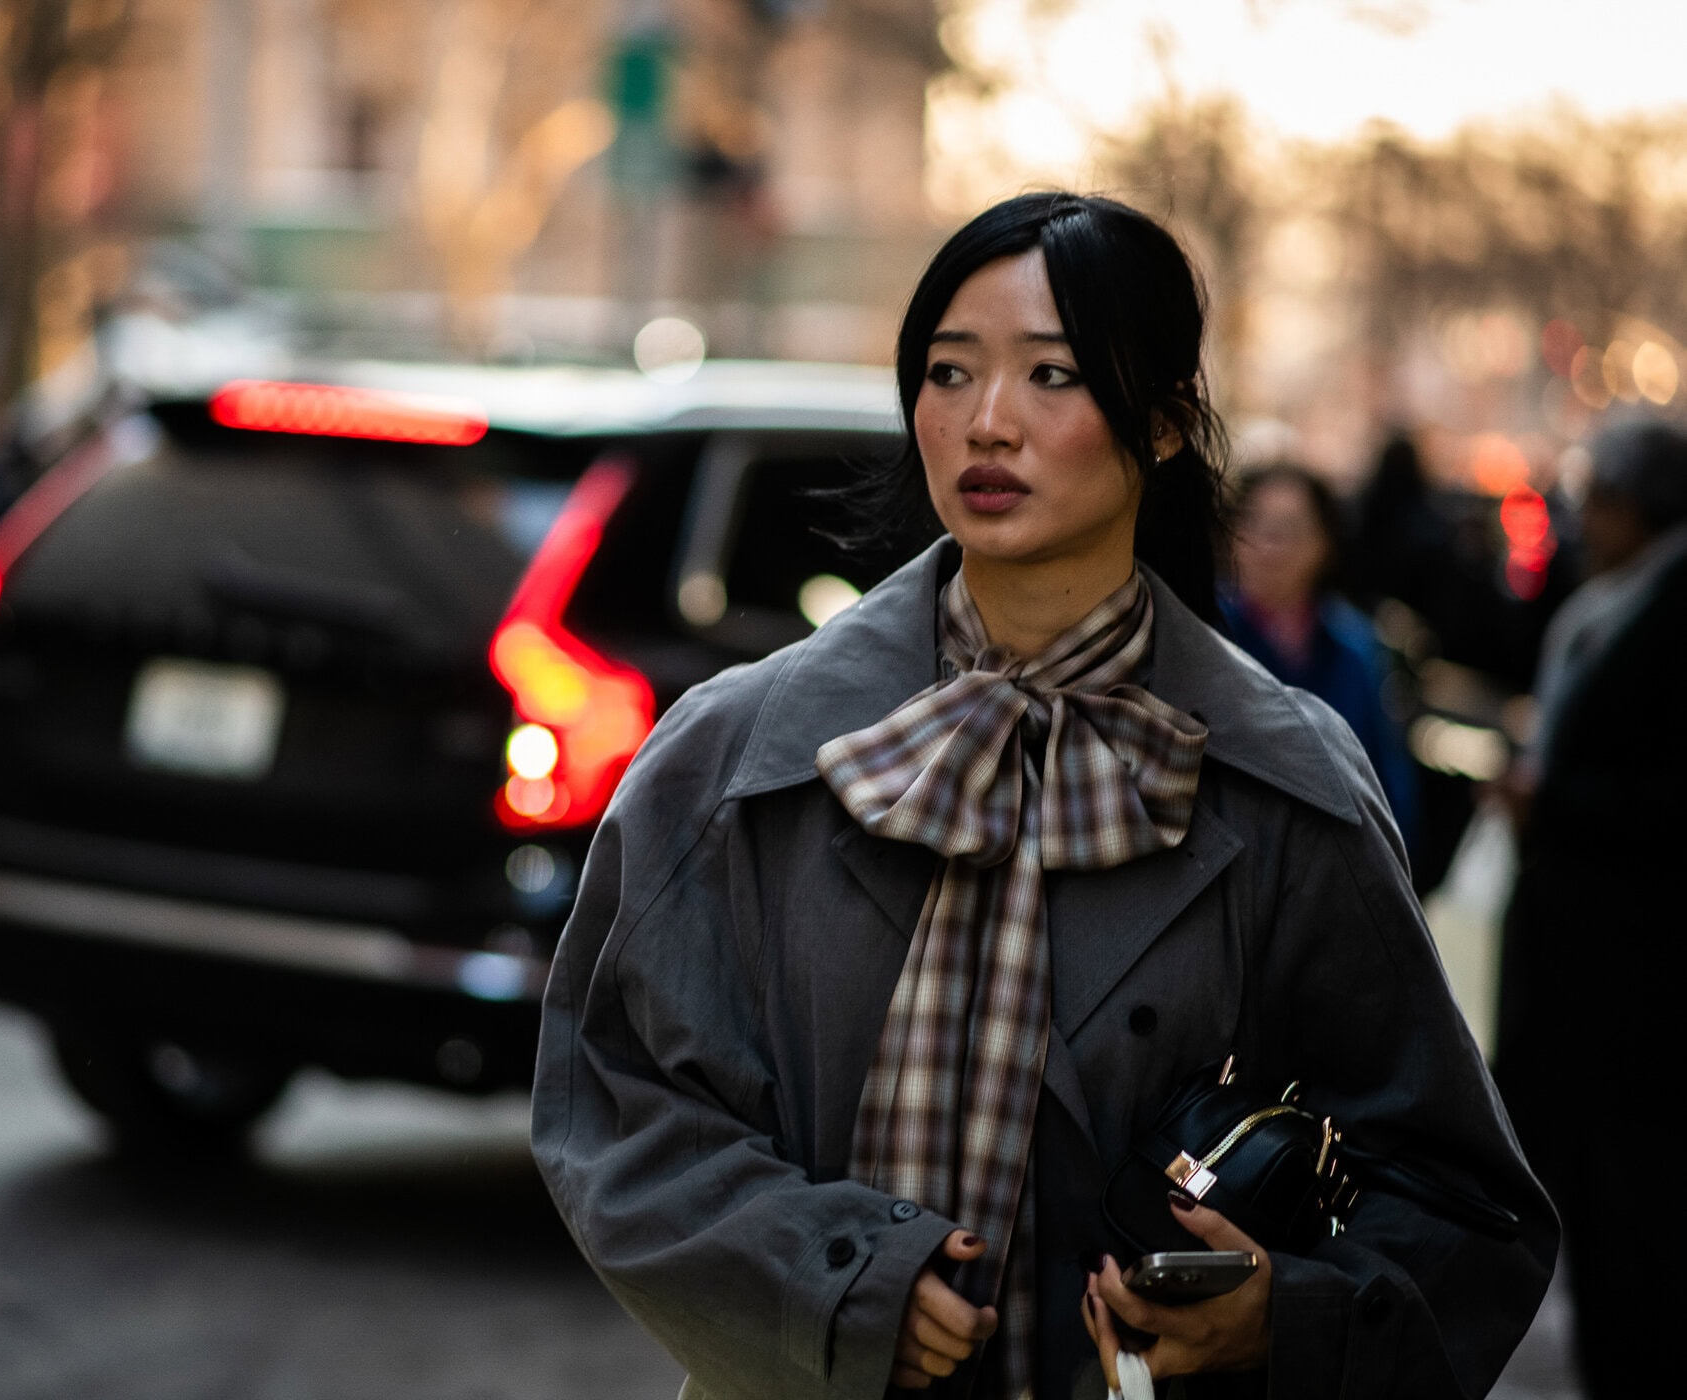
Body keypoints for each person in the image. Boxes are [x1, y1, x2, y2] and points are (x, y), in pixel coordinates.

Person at [531, 192, 1554, 1400]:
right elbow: (619, 1104)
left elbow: (1462, 1201)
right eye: (949, 373)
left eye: (1053, 375)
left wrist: (1282, 1316)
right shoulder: (740, 756)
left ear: (1166, 421)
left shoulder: (1284, 784)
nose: (988, 422)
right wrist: (835, 1282)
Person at [1495, 420, 1687, 1400]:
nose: (1585, 521)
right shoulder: (1613, 598)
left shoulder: (1664, 607)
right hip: (1583, 950)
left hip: (1632, 966)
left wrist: (1556, 801)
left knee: (1628, 1210)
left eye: (1599, 500)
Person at [1220, 464, 1419, 856]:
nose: (1268, 544)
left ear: (1323, 545)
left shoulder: (1355, 648)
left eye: (1287, 530)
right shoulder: (1206, 634)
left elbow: (1383, 782)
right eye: (1255, 525)